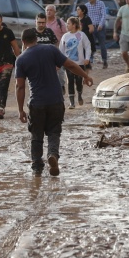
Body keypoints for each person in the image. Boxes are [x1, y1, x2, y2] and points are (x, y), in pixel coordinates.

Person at [15, 28, 93, 177]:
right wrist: (85, 76)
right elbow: (70, 65)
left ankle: (37, 167)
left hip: (36, 103)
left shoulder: (21, 59)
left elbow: (20, 86)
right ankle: (53, 155)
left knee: (36, 136)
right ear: (36, 39)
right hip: (56, 101)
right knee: (54, 132)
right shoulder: (51, 49)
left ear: (23, 42)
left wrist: (20, 110)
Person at [58, 17, 91, 108]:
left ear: (74, 25)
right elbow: (61, 50)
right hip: (68, 63)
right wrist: (60, 61)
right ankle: (72, 102)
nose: (66, 25)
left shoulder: (81, 35)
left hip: (79, 63)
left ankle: (80, 95)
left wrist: (87, 58)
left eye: (68, 23)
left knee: (79, 81)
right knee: (70, 81)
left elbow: (87, 46)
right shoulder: (65, 36)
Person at [45, 5, 67, 93]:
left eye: (51, 10)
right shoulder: (43, 23)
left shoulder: (59, 22)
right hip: (45, 50)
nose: (49, 12)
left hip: (58, 48)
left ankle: (61, 86)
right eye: (47, 10)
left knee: (59, 69)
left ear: (55, 12)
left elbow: (66, 34)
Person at [86, 0, 108, 69]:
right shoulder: (86, 6)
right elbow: (86, 17)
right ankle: (89, 61)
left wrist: (101, 24)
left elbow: (103, 15)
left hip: (100, 27)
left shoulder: (101, 3)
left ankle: (104, 60)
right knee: (90, 45)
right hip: (91, 27)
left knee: (102, 45)